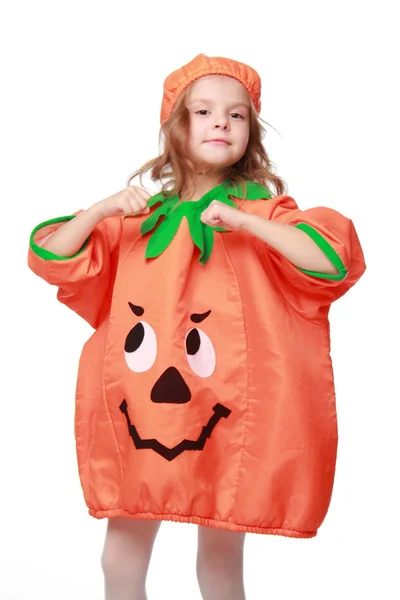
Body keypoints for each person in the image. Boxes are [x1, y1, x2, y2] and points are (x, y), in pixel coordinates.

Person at [28, 53, 366, 600]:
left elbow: (330, 261)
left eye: (236, 116)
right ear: (176, 127)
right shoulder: (134, 221)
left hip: (222, 405)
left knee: (219, 558)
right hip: (142, 409)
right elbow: (49, 254)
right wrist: (101, 209)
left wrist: (243, 220)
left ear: (250, 133)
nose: (220, 123)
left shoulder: (266, 213)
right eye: (203, 111)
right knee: (122, 554)